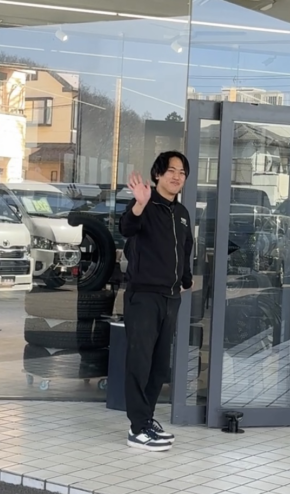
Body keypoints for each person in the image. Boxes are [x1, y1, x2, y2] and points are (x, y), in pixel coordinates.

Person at [119, 151, 194, 452]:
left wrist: (185, 280)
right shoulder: (145, 205)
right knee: (140, 363)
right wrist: (139, 203)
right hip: (144, 297)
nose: (177, 176)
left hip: (171, 297)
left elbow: (185, 250)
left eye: (182, 172)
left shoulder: (182, 213)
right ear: (158, 175)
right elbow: (126, 228)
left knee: (159, 366)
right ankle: (137, 429)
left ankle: (146, 421)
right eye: (171, 170)